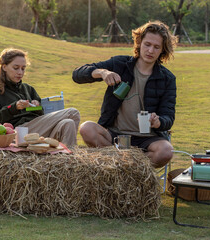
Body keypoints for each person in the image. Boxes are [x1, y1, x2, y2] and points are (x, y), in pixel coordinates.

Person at [72, 21, 177, 168]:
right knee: (86, 129)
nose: (150, 50)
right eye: (147, 44)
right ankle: (129, 167)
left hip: (148, 140)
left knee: (166, 151)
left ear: (162, 50)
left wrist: (159, 121)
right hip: (115, 135)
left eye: (156, 47)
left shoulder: (167, 79)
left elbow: (169, 116)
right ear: (139, 42)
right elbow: (77, 74)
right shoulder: (120, 63)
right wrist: (102, 72)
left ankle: (123, 167)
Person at [0, 48, 80, 146]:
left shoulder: (28, 89)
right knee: (73, 112)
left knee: (68, 123)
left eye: (23, 68)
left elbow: (41, 113)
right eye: (16, 68)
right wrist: (14, 107)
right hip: (17, 132)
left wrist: (36, 106)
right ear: (4, 67)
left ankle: (66, 157)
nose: (20, 72)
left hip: (37, 131)